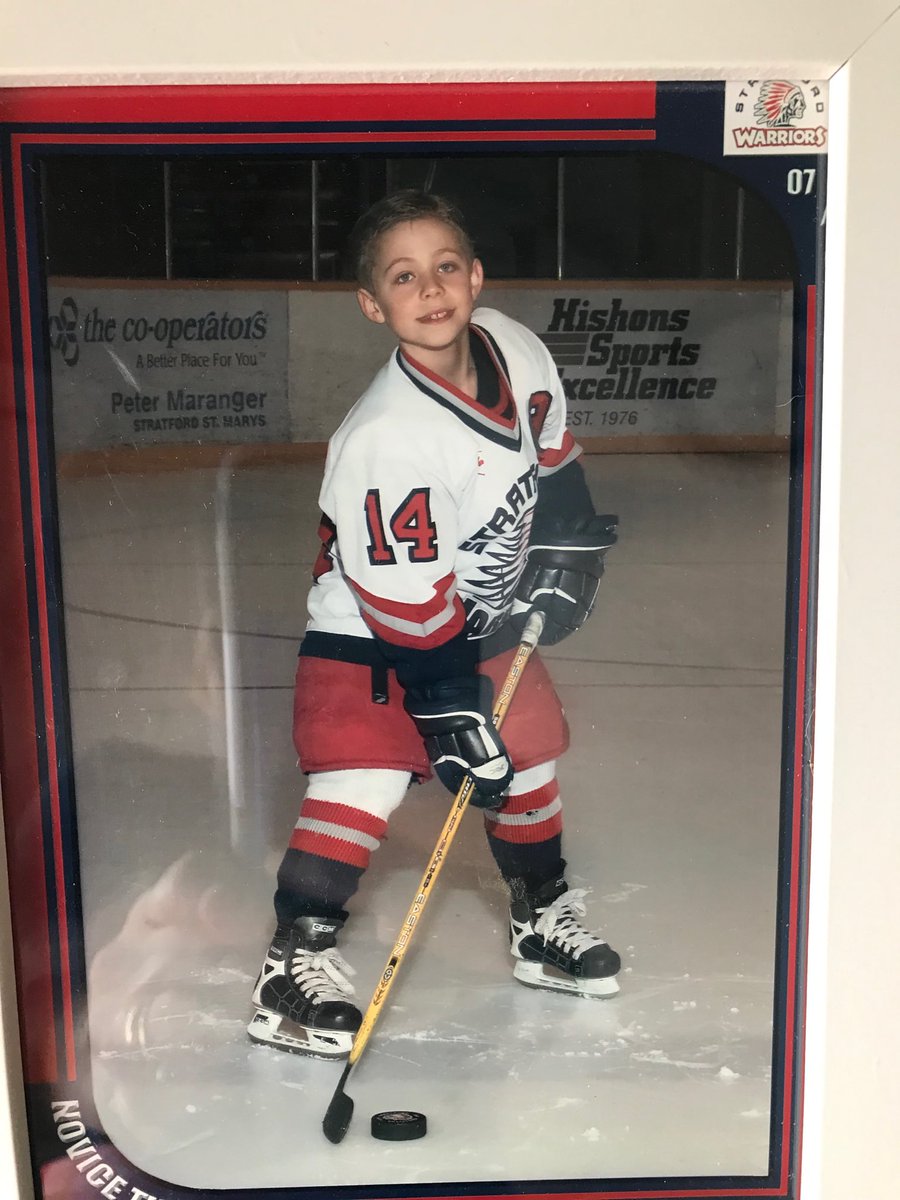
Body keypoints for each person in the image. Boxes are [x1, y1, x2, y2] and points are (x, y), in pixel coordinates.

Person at [248, 190, 621, 1059]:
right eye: (404, 277)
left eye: (446, 267)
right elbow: (405, 606)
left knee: (529, 761)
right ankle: (289, 967)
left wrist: (571, 544)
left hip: (476, 620)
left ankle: (539, 922)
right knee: (362, 785)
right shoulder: (388, 437)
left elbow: (554, 458)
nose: (431, 289)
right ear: (373, 304)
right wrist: (449, 710)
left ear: (476, 276)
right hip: (371, 637)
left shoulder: (515, 348)